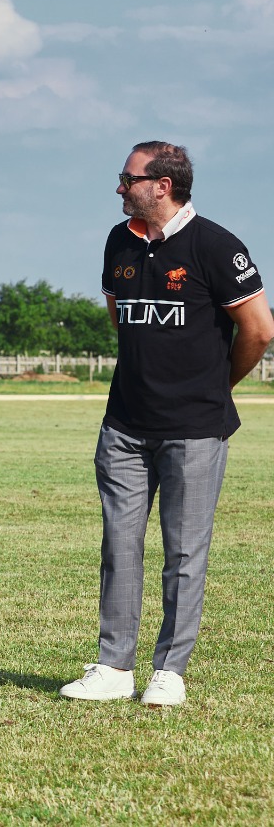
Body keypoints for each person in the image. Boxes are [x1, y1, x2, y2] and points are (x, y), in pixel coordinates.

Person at [59, 141, 272, 707]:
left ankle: (169, 672)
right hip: (124, 424)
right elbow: (121, 319)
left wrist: (215, 386)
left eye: (128, 178)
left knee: (183, 551)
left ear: (163, 184)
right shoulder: (117, 240)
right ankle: (113, 667)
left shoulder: (217, 246)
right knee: (119, 546)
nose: (119, 187)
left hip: (195, 428)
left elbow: (259, 329)